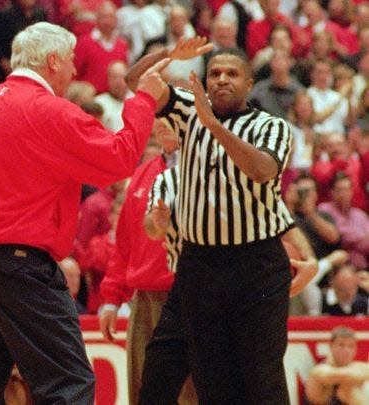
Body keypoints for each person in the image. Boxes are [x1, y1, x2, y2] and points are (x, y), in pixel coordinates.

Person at [0, 21, 171, 404]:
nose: (75, 71)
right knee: (69, 384)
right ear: (51, 62)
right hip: (20, 264)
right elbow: (119, 159)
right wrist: (143, 99)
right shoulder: (50, 111)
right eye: (70, 61)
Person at [127, 44, 318, 403]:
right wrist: (170, 53)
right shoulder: (187, 111)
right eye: (214, 74)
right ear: (204, 81)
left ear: (249, 84)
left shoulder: (271, 126)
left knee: (262, 375)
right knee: (211, 377)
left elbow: (262, 171)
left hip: (256, 264)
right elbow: (135, 80)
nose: (222, 80)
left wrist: (213, 125)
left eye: (231, 74)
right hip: (199, 265)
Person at [99, 119, 197, 405]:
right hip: (145, 299)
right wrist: (111, 298)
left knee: (193, 392)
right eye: (160, 118)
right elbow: (125, 244)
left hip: (190, 295)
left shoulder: (205, 172)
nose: (165, 124)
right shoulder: (141, 175)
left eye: (173, 117)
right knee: (144, 391)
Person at [305, 326, 369, 405]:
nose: (346, 351)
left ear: (355, 349)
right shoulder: (319, 371)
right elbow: (343, 375)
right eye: (341, 345)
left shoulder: (357, 368)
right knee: (346, 388)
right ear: (331, 346)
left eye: (350, 346)